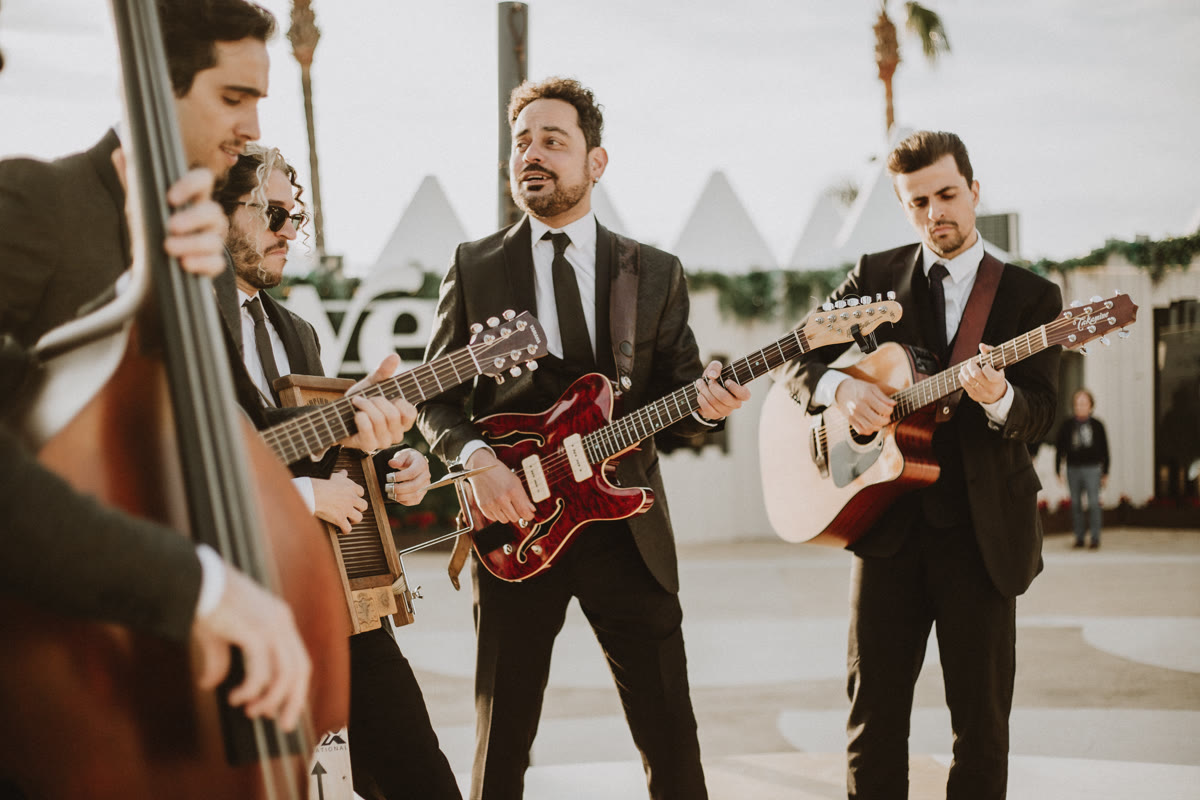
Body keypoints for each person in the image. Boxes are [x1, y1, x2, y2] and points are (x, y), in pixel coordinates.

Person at [417, 77, 750, 800]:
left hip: (628, 530)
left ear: (596, 162)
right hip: (515, 526)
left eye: (552, 141)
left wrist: (710, 408)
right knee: (501, 744)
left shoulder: (653, 272)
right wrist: (477, 462)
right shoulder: (474, 265)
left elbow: (682, 398)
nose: (531, 155)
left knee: (671, 740)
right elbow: (434, 399)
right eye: (521, 143)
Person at [0, 0, 310, 731]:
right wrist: (135, 292)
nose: (253, 127)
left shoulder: (206, 252)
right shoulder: (37, 201)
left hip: (167, 642)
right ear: (159, 84)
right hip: (55, 649)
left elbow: (218, 434)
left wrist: (354, 422)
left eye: (259, 101)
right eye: (233, 98)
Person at [776, 130, 1061, 799]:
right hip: (887, 530)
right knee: (871, 722)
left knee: (982, 730)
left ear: (975, 191)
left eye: (947, 195)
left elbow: (1042, 413)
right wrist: (842, 391)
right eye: (918, 202)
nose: (936, 213)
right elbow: (798, 356)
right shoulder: (875, 276)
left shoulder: (1031, 298)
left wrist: (999, 397)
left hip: (982, 538)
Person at [214, 143, 462, 800]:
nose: (287, 232)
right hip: (235, 609)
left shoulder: (297, 332)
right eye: (271, 214)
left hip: (335, 601)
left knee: (421, 777)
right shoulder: (180, 324)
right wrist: (299, 496)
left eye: (294, 218)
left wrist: (389, 463)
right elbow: (193, 457)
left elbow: (319, 451)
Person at [1055, 389, 1110, 549]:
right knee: (1076, 504)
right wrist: (1058, 470)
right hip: (1073, 468)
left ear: (1090, 406)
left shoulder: (1097, 425)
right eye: (1077, 403)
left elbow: (1105, 450)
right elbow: (1060, 449)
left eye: (1084, 403)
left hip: (1092, 468)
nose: (1080, 406)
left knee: (1093, 503)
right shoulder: (1067, 425)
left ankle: (1095, 538)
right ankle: (1079, 537)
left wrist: (1105, 472)